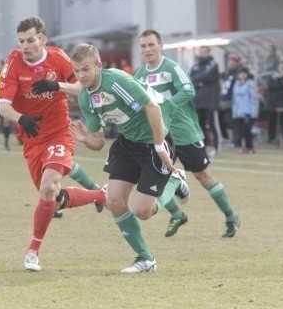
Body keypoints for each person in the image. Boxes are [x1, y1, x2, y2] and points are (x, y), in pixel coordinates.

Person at [66, 42, 190, 274]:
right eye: (76, 70)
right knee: (114, 201)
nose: (80, 75)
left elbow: (152, 108)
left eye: (85, 69)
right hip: (126, 144)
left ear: (98, 66)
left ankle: (175, 181)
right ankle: (146, 258)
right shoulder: (85, 98)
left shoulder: (116, 81)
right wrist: (85, 139)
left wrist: (159, 145)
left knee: (143, 212)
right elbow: (99, 142)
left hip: (154, 141)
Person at [0, 16, 107, 272]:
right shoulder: (13, 61)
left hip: (59, 132)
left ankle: (33, 251)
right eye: (21, 41)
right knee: (53, 198)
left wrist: (56, 85)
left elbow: (84, 87)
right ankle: (101, 194)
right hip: (32, 138)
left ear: (42, 39)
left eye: (30, 40)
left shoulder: (58, 58)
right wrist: (20, 118)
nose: (25, 46)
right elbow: (3, 106)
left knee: (48, 187)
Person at [134, 29, 240, 238]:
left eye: (151, 45)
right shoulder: (139, 75)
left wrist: (168, 106)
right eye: (144, 46)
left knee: (203, 176)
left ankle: (230, 216)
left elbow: (189, 89)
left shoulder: (172, 68)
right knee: (152, 177)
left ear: (160, 45)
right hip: (159, 136)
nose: (147, 49)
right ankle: (177, 214)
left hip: (184, 132)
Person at [190, 46, 221, 157]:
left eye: (204, 51)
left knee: (213, 126)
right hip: (198, 102)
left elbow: (208, 77)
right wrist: (200, 82)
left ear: (208, 52)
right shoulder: (195, 66)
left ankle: (216, 148)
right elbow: (191, 80)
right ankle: (201, 150)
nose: (202, 53)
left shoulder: (213, 64)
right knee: (199, 127)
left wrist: (199, 81)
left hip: (210, 101)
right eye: (200, 51)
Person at [232, 67, 260, 154]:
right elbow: (234, 99)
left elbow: (254, 98)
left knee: (247, 130)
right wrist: (234, 111)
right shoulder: (236, 84)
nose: (242, 75)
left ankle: (250, 147)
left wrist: (254, 111)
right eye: (241, 73)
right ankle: (241, 146)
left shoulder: (250, 84)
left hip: (248, 111)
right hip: (238, 112)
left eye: (244, 73)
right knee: (239, 131)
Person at [265, 61, 283, 144]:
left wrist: (280, 82)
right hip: (272, 103)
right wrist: (281, 85)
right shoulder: (272, 76)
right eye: (281, 66)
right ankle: (271, 138)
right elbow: (270, 86)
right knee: (272, 122)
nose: (282, 68)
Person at [219, 53, 242, 148]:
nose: (231, 63)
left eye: (234, 61)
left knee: (232, 122)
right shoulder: (225, 74)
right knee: (221, 120)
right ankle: (225, 137)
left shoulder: (238, 74)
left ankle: (234, 140)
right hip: (223, 99)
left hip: (233, 101)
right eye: (230, 61)